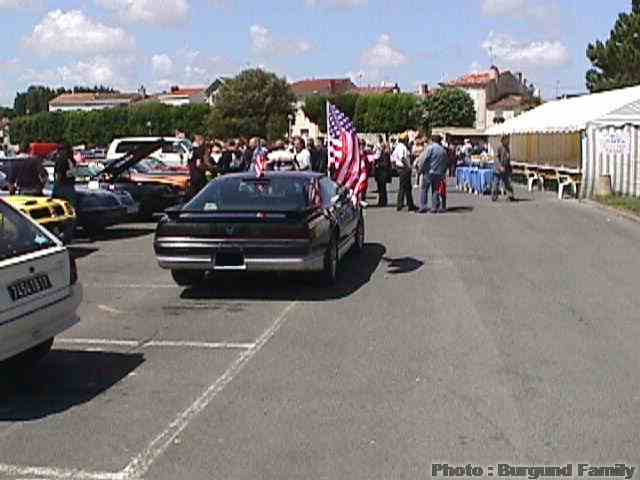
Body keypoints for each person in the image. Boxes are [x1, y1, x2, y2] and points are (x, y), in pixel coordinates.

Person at [425, 134, 449, 213]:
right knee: (438, 189)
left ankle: (432, 207)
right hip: (440, 172)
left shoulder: (430, 148)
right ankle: (438, 206)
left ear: (432, 140)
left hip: (430, 171)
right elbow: (446, 162)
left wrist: (422, 168)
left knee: (428, 189)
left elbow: (425, 159)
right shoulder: (443, 150)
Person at [391, 135, 416, 211]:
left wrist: (395, 165)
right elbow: (402, 158)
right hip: (404, 168)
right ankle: (401, 204)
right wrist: (408, 166)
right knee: (404, 187)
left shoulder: (398, 147)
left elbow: (393, 158)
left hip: (401, 168)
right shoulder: (402, 147)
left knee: (407, 187)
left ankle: (409, 204)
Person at [52, 143, 77, 209]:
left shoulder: (61, 159)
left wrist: (56, 186)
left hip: (62, 186)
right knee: (71, 208)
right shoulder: (72, 160)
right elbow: (73, 172)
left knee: (58, 208)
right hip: (70, 186)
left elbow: (59, 173)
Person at [492, 135, 515, 202]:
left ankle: (510, 196)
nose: (508, 141)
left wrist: (509, 167)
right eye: (507, 139)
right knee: (496, 183)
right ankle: (494, 196)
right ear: (503, 140)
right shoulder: (499, 147)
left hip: (506, 168)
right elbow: (496, 158)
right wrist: (500, 167)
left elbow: (508, 158)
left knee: (507, 182)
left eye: (509, 139)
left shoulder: (507, 148)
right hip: (498, 169)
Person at [187, 134, 208, 200]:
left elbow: (189, 162)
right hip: (199, 176)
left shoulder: (191, 150)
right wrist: (208, 168)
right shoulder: (200, 150)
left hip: (192, 175)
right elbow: (198, 164)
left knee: (192, 194)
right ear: (200, 140)